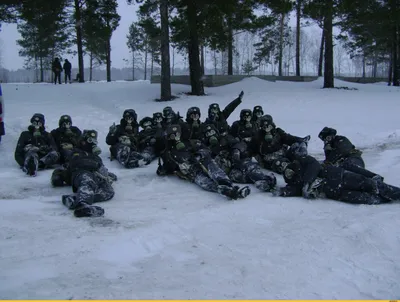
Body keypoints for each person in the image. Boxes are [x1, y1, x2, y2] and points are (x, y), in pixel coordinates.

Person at [274, 143, 400, 205]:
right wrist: (283, 191)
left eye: (285, 165)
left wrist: (307, 182)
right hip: (336, 193)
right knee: (368, 199)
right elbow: (296, 190)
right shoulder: (292, 181)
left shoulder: (303, 161)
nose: (286, 170)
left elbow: (315, 165)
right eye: (282, 169)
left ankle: (396, 193)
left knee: (372, 185)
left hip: (339, 177)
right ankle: (388, 200)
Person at [157, 124, 251, 200]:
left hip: (204, 162)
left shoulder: (191, 142)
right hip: (193, 172)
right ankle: (225, 191)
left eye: (177, 135)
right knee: (205, 182)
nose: (176, 138)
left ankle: (228, 185)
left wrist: (199, 155)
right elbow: (170, 167)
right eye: (173, 136)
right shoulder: (168, 153)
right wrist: (162, 169)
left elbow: (206, 150)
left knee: (216, 172)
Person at [200, 124, 276, 192]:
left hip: (239, 161)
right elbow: (209, 162)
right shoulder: (207, 148)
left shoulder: (225, 138)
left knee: (250, 168)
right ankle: (260, 183)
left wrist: (236, 151)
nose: (211, 135)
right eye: (208, 134)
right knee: (239, 176)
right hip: (229, 170)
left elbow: (240, 144)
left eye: (212, 132)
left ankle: (265, 178)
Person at [60, 130, 117, 217]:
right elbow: (78, 163)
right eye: (89, 141)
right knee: (87, 181)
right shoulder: (76, 152)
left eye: (94, 141)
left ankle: (74, 199)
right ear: (83, 141)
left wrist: (108, 175)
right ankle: (82, 205)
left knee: (108, 191)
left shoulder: (95, 156)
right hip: (80, 173)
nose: (92, 143)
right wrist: (96, 165)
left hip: (94, 176)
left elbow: (100, 167)